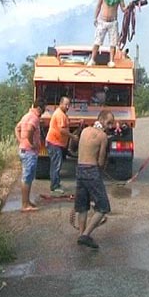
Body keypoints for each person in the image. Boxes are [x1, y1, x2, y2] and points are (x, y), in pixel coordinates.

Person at [74, 110, 115, 249]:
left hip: (79, 169)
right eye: (109, 123)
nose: (110, 126)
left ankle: (81, 235)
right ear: (101, 120)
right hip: (92, 171)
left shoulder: (85, 131)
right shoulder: (103, 136)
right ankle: (85, 235)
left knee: (82, 206)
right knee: (103, 207)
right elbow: (101, 161)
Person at [15, 97, 46, 212]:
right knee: (27, 178)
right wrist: (31, 143)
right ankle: (25, 205)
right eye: (43, 109)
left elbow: (17, 128)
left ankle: (27, 201)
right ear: (39, 108)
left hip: (24, 150)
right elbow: (29, 129)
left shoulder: (25, 116)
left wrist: (21, 141)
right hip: (29, 152)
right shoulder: (34, 118)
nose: (43, 112)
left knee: (28, 177)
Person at [88, 0, 127, 67]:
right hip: (102, 21)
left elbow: (123, 9)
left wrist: (128, 7)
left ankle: (111, 61)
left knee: (113, 43)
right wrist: (95, 18)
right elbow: (98, 6)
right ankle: (92, 59)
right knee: (97, 41)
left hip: (113, 22)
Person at [45, 96, 78, 194]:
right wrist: (72, 136)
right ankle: (54, 186)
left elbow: (67, 123)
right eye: (66, 104)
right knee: (56, 164)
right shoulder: (59, 114)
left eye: (69, 105)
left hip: (57, 143)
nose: (67, 107)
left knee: (56, 164)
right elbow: (62, 129)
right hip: (54, 143)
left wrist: (78, 122)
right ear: (61, 104)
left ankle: (56, 183)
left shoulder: (62, 114)